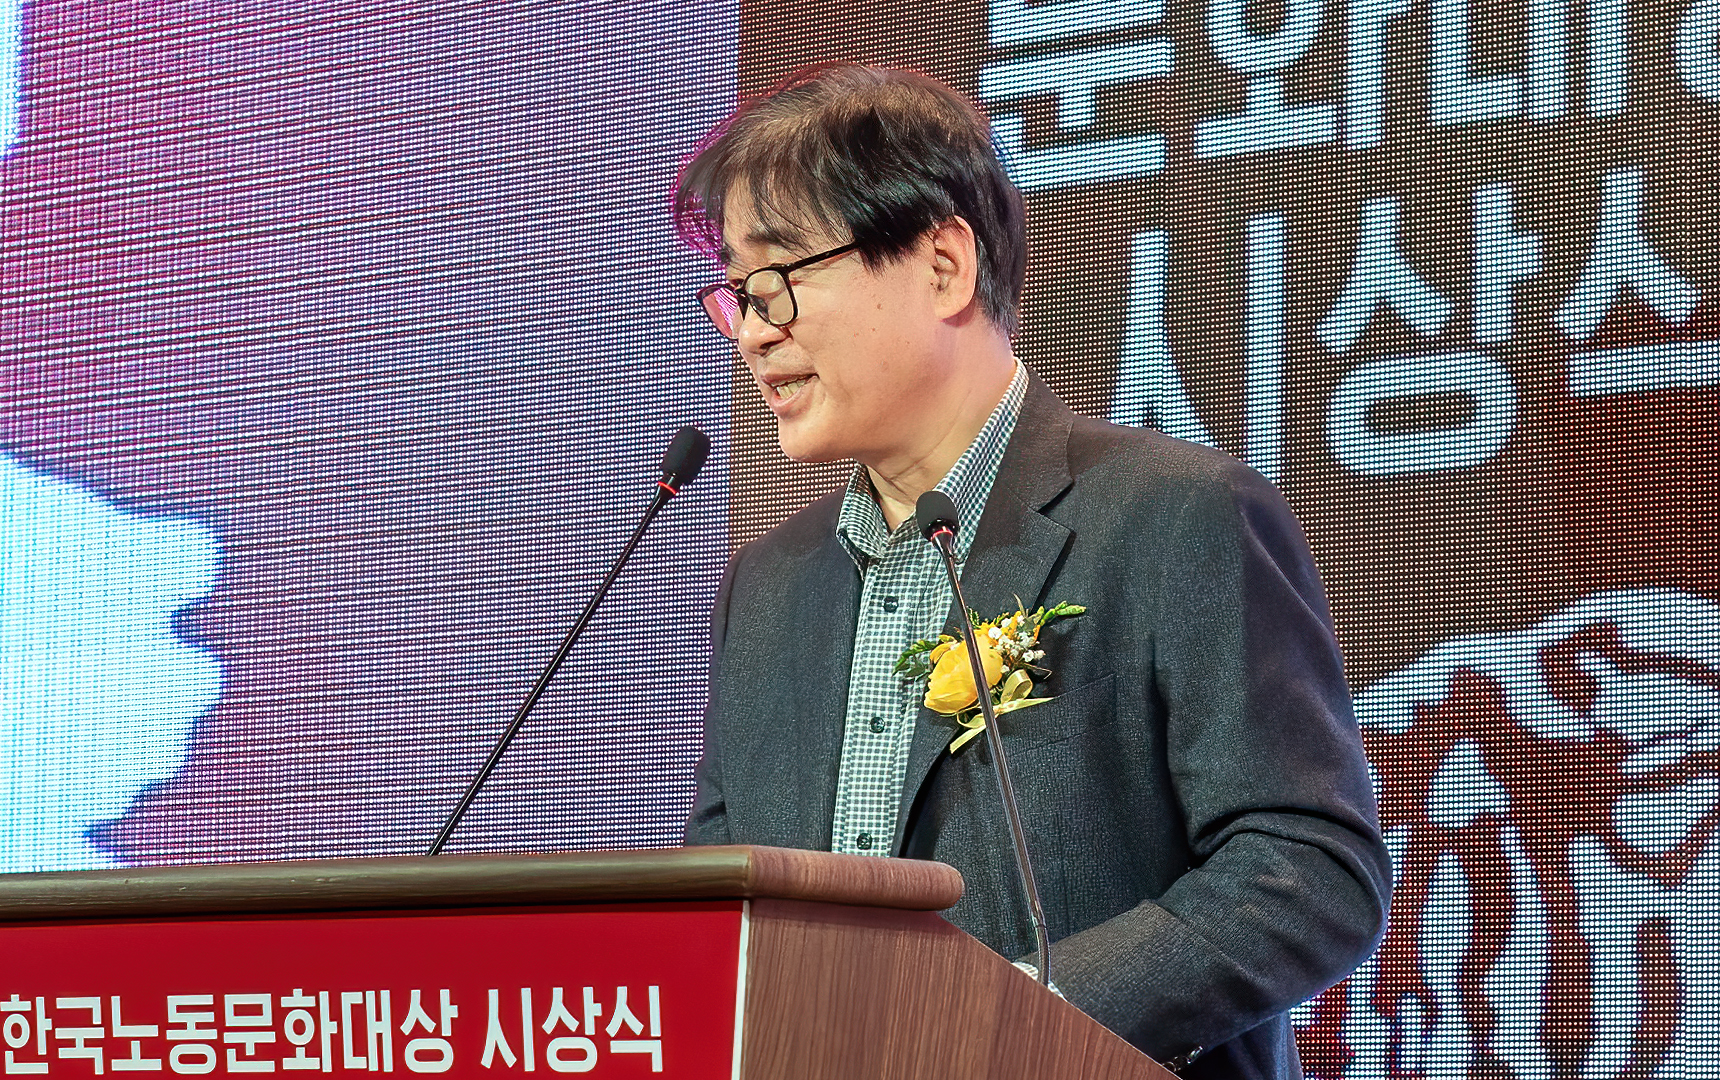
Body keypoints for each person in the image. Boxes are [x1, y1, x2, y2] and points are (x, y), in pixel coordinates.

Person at [674, 64, 1391, 1079]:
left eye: (781, 277)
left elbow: (1307, 871)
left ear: (942, 265)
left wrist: (1004, 1023)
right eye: (738, 294)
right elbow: (723, 915)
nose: (753, 330)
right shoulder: (769, 586)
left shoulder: (1172, 514)